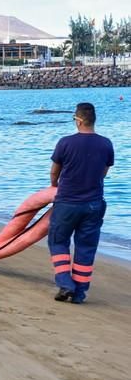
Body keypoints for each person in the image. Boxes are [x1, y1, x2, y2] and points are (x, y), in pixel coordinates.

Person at [48, 102, 114, 304]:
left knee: (58, 241)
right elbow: (104, 172)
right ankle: (79, 294)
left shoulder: (65, 143)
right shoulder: (106, 144)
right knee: (86, 247)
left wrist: (54, 186)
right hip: (94, 204)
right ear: (93, 120)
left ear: (78, 120)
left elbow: (54, 171)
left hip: (67, 202)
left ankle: (66, 285)